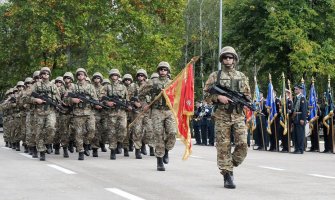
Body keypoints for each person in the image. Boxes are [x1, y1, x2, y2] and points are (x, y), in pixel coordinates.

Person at [204, 46, 250, 189]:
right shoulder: (215, 76)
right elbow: (206, 95)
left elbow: (248, 95)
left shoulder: (242, 76)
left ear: (234, 59)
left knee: (243, 144)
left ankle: (230, 163)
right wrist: (219, 97)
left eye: (230, 57)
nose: (228, 60)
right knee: (223, 146)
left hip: (238, 115)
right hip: (221, 115)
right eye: (225, 57)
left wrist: (245, 99)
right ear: (221, 59)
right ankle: (227, 175)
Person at [139, 61, 177, 171]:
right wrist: (144, 105)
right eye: (161, 69)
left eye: (165, 69)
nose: (163, 71)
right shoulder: (152, 82)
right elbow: (141, 95)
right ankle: (159, 161)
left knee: (172, 133)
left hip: (169, 111)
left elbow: (178, 96)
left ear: (168, 71)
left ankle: (167, 150)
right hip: (157, 111)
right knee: (158, 135)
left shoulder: (173, 82)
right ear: (158, 71)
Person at [30, 67, 60, 161]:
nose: (45, 75)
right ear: (41, 75)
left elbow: (58, 98)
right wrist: (35, 100)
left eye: (47, 73)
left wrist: (55, 102)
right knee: (39, 132)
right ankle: (42, 152)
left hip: (50, 111)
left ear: (49, 75)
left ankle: (47, 143)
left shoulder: (53, 86)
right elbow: (26, 98)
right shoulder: (36, 85)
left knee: (51, 128)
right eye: (43, 73)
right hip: (39, 112)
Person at [292, 84, 307, 154]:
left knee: (300, 134)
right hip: (295, 117)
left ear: (301, 90)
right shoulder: (296, 98)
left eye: (296, 89)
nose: (295, 90)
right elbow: (294, 108)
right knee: (295, 134)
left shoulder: (302, 98)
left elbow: (304, 109)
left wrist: (303, 119)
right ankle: (296, 148)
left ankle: (300, 149)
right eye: (295, 89)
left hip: (300, 117)